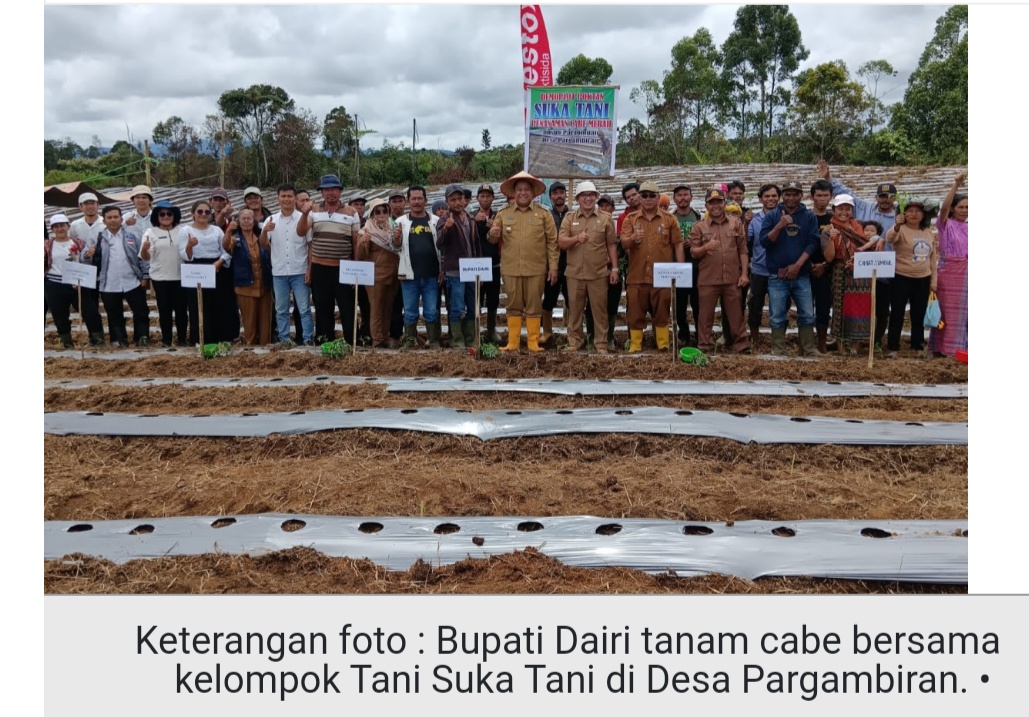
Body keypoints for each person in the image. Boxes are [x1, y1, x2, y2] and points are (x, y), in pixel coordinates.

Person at [488, 171, 559, 352]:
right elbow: (493, 239)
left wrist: (553, 267)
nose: (522, 193)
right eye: (519, 189)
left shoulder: (544, 214)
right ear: (514, 192)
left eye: (526, 189)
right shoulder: (503, 214)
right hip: (511, 269)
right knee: (513, 305)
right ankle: (513, 342)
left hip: (536, 269)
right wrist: (492, 234)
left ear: (533, 192)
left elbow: (552, 242)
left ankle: (533, 342)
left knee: (534, 305)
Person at [619, 180, 686, 352]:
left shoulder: (670, 219)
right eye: (644, 195)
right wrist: (633, 238)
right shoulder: (630, 219)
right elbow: (624, 243)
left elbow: (678, 244)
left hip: (662, 276)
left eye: (652, 195)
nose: (648, 199)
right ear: (640, 198)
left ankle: (662, 343)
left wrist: (681, 269)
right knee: (635, 312)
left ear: (658, 198)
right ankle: (635, 344)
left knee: (662, 310)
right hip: (637, 275)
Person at [759, 180, 820, 356]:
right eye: (787, 194)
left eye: (795, 194)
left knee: (807, 313)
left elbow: (813, 242)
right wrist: (779, 226)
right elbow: (765, 242)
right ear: (782, 196)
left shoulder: (809, 216)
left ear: (801, 195)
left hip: (801, 274)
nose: (791, 198)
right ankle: (778, 348)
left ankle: (809, 348)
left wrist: (798, 265)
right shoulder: (772, 216)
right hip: (777, 276)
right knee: (777, 314)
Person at [298, 174, 360, 343]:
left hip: (344, 268)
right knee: (323, 307)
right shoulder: (313, 211)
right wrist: (304, 214)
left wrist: (356, 268)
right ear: (322, 192)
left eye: (334, 189)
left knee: (347, 307)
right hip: (320, 267)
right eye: (326, 190)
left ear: (340, 191)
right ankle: (326, 342)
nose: (330, 193)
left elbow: (356, 243)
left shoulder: (352, 212)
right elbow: (301, 232)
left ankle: (350, 342)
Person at [558, 181, 619, 352]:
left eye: (591, 195)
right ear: (578, 198)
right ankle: (575, 342)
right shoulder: (569, 218)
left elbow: (611, 245)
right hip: (574, 274)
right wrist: (576, 239)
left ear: (596, 197)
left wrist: (614, 269)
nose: (588, 198)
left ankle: (601, 343)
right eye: (584, 195)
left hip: (598, 273)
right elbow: (561, 242)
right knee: (575, 311)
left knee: (600, 311)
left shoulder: (605, 218)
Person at [688, 188, 750, 354]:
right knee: (705, 315)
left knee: (736, 314)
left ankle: (741, 345)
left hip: (732, 278)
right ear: (706, 206)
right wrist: (706, 247)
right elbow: (693, 252)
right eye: (711, 203)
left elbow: (743, 250)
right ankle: (705, 345)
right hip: (708, 279)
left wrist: (744, 274)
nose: (715, 205)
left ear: (724, 203)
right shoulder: (699, 226)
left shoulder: (735, 223)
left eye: (719, 202)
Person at [820, 194, 878, 354]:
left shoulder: (860, 227)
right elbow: (829, 257)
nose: (844, 212)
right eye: (840, 209)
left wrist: (878, 240)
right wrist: (832, 240)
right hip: (842, 270)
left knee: (860, 308)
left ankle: (855, 346)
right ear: (834, 210)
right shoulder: (829, 230)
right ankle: (841, 347)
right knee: (841, 308)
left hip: (861, 271)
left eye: (847, 209)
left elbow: (872, 241)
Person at [89, 205, 151, 347]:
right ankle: (118, 339)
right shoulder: (98, 237)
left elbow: (142, 256)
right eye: (109, 217)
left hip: (132, 281)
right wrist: (87, 254)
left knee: (141, 311)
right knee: (114, 314)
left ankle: (142, 338)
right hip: (109, 283)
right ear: (104, 221)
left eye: (116, 217)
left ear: (121, 219)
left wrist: (145, 276)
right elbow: (84, 256)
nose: (113, 220)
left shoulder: (132, 235)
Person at [883, 199, 939, 356]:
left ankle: (917, 346)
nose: (914, 214)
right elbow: (890, 238)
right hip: (901, 276)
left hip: (923, 278)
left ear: (923, 215)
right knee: (897, 313)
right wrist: (897, 225)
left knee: (918, 313)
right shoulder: (900, 229)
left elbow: (932, 258)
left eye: (918, 211)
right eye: (910, 211)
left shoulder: (928, 232)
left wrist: (934, 281)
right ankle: (893, 347)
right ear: (904, 214)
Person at [179, 199, 235, 345]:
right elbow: (184, 255)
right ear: (193, 213)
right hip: (195, 269)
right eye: (200, 211)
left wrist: (219, 262)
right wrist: (190, 245)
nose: (203, 214)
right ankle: (200, 340)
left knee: (218, 305)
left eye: (207, 212)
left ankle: (220, 340)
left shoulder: (217, 230)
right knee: (198, 306)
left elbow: (226, 251)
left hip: (216, 268)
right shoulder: (185, 230)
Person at [265, 183, 314, 346]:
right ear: (278, 198)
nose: (286, 199)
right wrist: (265, 231)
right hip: (279, 272)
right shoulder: (271, 220)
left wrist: (309, 269)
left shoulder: (304, 218)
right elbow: (263, 243)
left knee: (304, 308)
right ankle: (284, 339)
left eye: (289, 196)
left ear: (295, 199)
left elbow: (310, 246)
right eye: (283, 196)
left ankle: (308, 339)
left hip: (300, 271)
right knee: (281, 309)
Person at [396, 185, 442, 349]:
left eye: (420, 198)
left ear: (425, 201)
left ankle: (434, 340)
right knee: (410, 311)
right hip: (409, 275)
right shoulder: (400, 222)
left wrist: (441, 270)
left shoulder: (435, 221)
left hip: (431, 275)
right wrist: (396, 238)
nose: (417, 202)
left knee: (431, 310)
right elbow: (395, 247)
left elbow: (442, 248)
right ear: (408, 201)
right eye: (413, 199)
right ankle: (409, 340)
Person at [435, 184, 480, 348]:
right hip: (455, 271)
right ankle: (457, 340)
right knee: (457, 307)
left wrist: (480, 271)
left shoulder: (470, 218)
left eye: (460, 199)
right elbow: (440, 244)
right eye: (453, 200)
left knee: (472, 306)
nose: (457, 202)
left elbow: (476, 246)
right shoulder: (444, 220)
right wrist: (446, 229)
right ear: (447, 201)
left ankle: (470, 338)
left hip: (472, 269)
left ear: (464, 199)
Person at [928, 173, 968, 358]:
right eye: (961, 207)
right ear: (953, 209)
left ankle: (962, 348)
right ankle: (943, 348)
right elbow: (943, 208)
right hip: (948, 274)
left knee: (966, 314)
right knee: (947, 314)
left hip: (967, 275)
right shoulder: (945, 224)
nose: (964, 210)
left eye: (967, 207)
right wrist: (956, 185)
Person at [355, 198, 403, 348]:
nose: (381, 214)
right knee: (376, 308)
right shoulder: (365, 230)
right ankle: (377, 339)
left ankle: (385, 336)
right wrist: (364, 241)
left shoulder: (392, 228)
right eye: (377, 211)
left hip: (392, 274)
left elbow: (398, 248)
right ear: (372, 214)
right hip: (375, 275)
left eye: (384, 211)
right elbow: (360, 255)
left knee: (388, 308)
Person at [140, 200, 188, 346]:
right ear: (157, 216)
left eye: (169, 213)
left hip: (180, 277)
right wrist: (144, 249)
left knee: (181, 310)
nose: (166, 216)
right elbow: (146, 257)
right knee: (164, 310)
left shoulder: (182, 231)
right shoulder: (150, 233)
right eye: (162, 214)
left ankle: (182, 339)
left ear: (174, 215)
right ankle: (166, 340)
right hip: (160, 278)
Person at [223, 208, 273, 345]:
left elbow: (270, 251)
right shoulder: (235, 238)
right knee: (249, 322)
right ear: (239, 222)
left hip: (264, 286)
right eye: (243, 219)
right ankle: (250, 348)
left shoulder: (260, 236)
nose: (246, 222)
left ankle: (265, 347)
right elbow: (226, 246)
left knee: (265, 321)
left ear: (254, 221)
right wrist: (228, 231)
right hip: (245, 287)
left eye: (249, 219)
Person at [67, 192, 107, 345]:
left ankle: (115, 336)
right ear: (80, 207)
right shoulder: (75, 225)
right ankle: (95, 336)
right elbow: (71, 247)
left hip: (103, 269)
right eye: (86, 204)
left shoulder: (105, 222)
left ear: (98, 205)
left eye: (93, 203)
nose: (90, 206)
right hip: (84, 271)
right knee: (89, 307)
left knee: (109, 304)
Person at [44, 214, 86, 349]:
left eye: (62, 225)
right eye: (56, 227)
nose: (60, 229)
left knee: (88, 311)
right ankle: (67, 343)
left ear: (68, 226)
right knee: (60, 315)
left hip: (75, 282)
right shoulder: (47, 245)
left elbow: (85, 261)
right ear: (52, 229)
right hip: (54, 283)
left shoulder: (78, 243)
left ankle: (96, 340)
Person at [747, 184, 780, 350]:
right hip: (759, 270)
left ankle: (778, 342)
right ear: (761, 199)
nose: (771, 199)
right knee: (755, 306)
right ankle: (755, 341)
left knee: (780, 307)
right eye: (767, 196)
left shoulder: (785, 217)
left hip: (779, 271)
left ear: (779, 198)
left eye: (774, 196)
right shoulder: (754, 220)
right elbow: (747, 241)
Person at [670, 184, 702, 346]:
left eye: (685, 195)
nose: (682, 198)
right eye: (679, 195)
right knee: (679, 303)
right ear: (674, 199)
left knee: (698, 302)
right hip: (677, 266)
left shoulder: (698, 216)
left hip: (696, 265)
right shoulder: (670, 217)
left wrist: (694, 242)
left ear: (691, 197)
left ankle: (700, 334)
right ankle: (683, 334)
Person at [541, 181, 570, 348]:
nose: (559, 196)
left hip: (570, 266)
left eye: (561, 193)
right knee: (549, 300)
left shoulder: (573, 215)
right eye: (555, 193)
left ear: (566, 195)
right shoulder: (547, 216)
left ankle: (573, 333)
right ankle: (547, 333)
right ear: (550, 197)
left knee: (572, 300)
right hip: (551, 267)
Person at [808, 179, 835, 353]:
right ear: (812, 197)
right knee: (805, 308)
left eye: (826, 195)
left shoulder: (834, 219)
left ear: (831, 197)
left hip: (826, 270)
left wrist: (824, 265)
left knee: (824, 307)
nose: (822, 199)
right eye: (819, 195)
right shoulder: (805, 217)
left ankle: (822, 344)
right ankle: (806, 343)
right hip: (805, 268)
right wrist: (809, 264)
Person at [472, 183, 501, 344]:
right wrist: (475, 223)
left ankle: (491, 330)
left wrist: (494, 229)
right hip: (476, 265)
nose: (485, 199)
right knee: (476, 298)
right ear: (477, 198)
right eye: (482, 196)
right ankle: (475, 331)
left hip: (494, 265)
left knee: (493, 299)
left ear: (493, 198)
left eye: (488, 196)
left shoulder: (498, 216)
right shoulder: (471, 216)